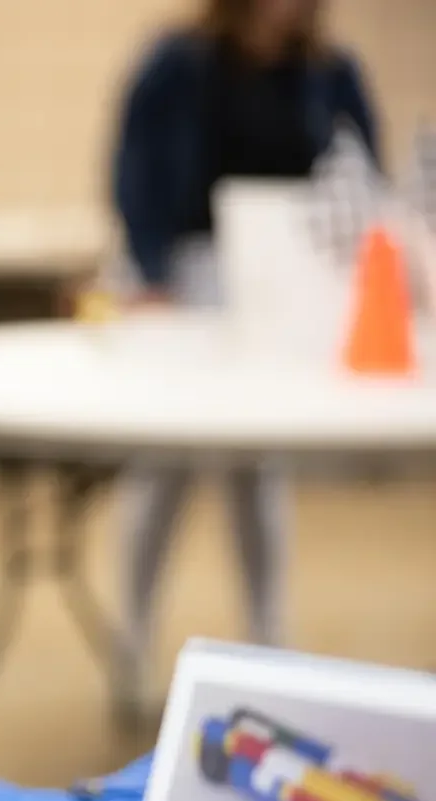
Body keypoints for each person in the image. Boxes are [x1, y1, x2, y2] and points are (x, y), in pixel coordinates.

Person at [108, 0, 379, 707]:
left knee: (256, 472)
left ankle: (268, 647)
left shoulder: (328, 70)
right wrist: (148, 271)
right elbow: (134, 165)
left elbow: (362, 175)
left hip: (281, 283)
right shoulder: (180, 60)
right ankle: (131, 641)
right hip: (186, 272)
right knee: (161, 468)